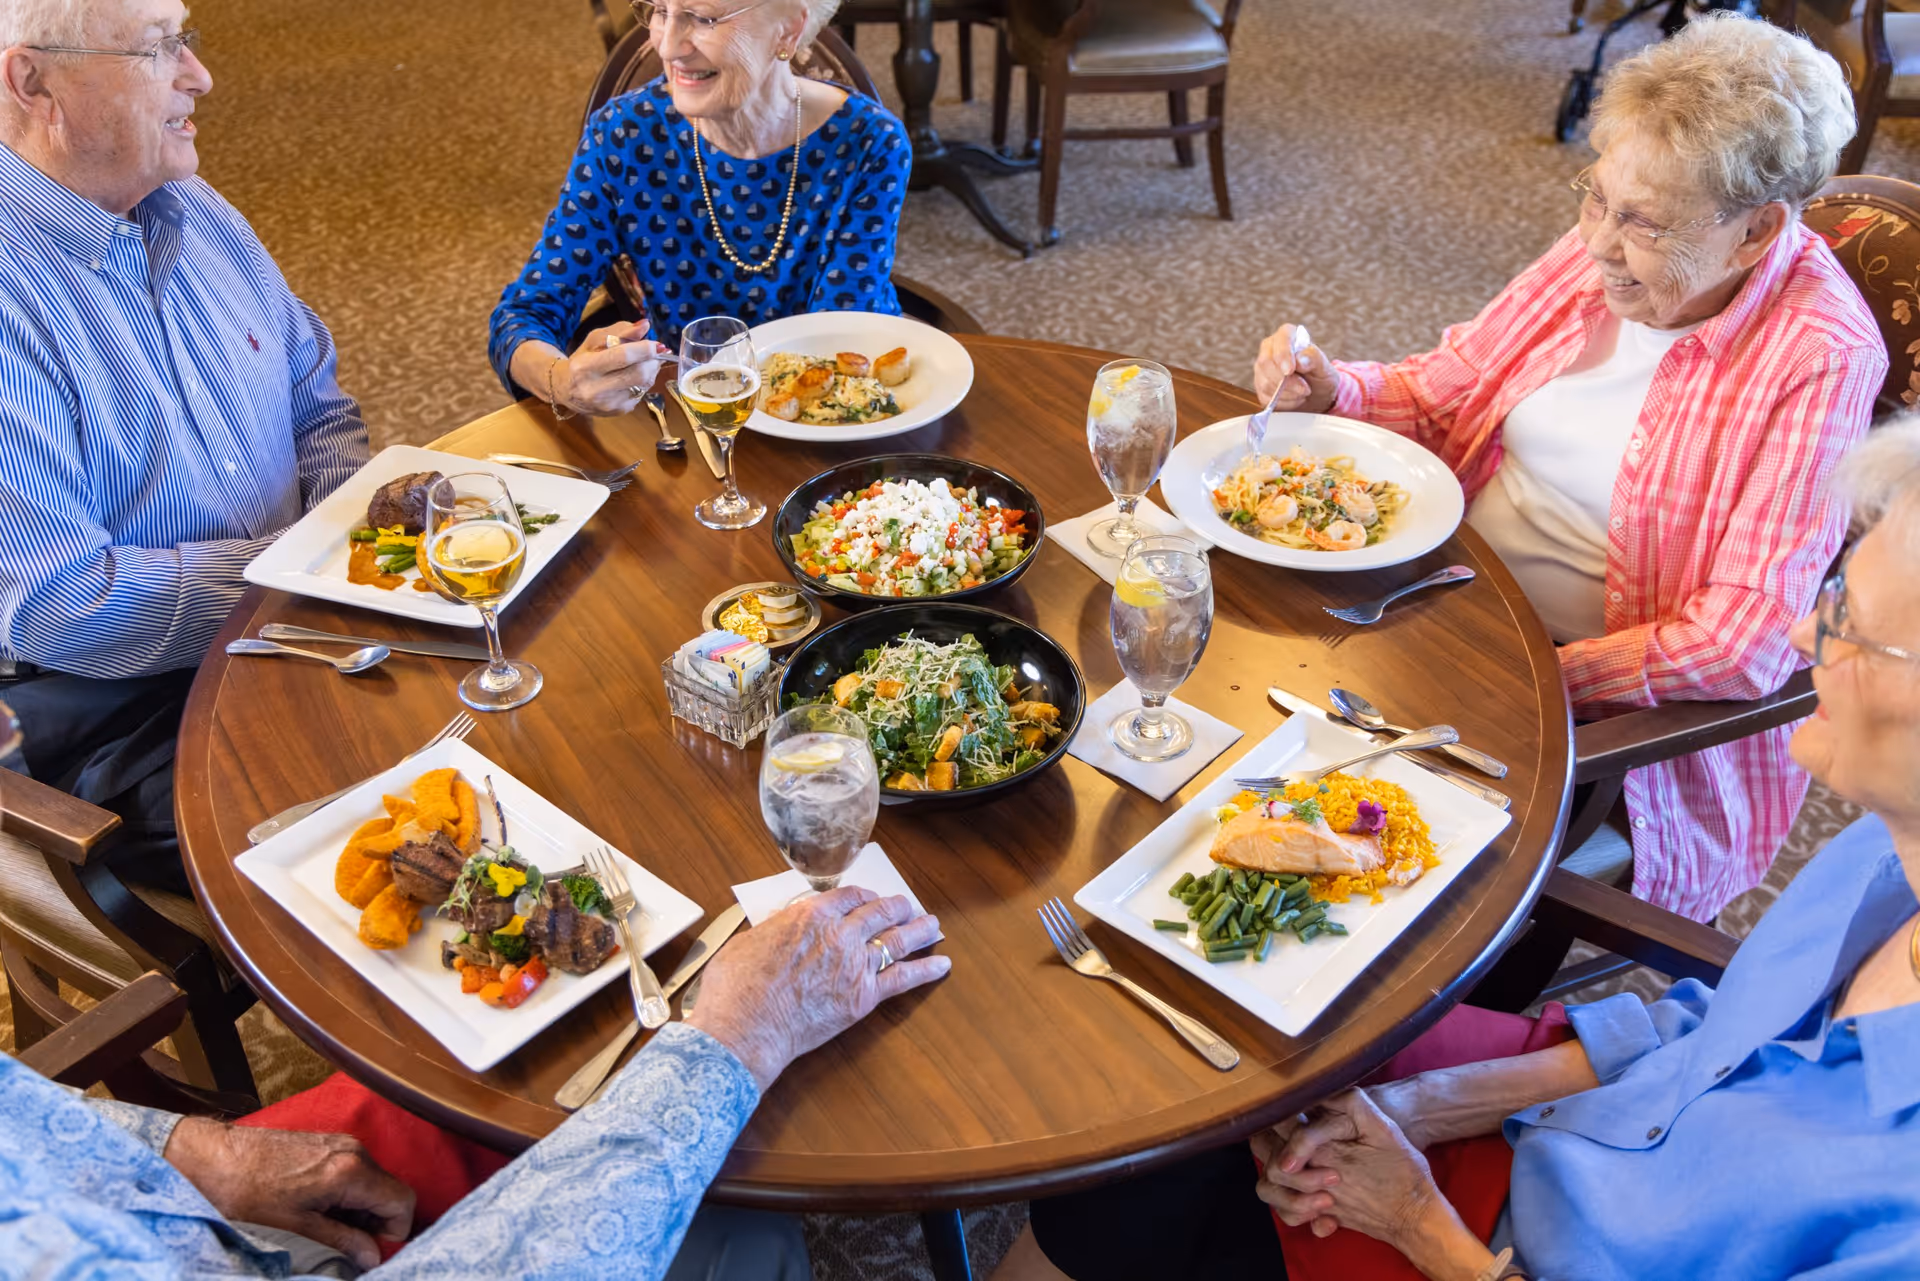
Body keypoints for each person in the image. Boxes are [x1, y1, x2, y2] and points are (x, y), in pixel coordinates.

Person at [996, 420, 1920, 1280]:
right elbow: (1705, 1037)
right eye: (1830, 594)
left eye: (1850, 629)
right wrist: (1429, 1103)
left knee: (1142, 1180)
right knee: (1182, 1065)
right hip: (1569, 1115)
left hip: (1499, 1253)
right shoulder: (1876, 858)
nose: (1802, 634)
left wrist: (1410, 1215)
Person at [1250, 13, 1884, 923]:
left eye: (1641, 222)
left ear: (1756, 232)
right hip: (1434, 596)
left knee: (1348, 862)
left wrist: (1535, 674)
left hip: (1574, 693)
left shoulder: (1817, 356)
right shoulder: (1612, 246)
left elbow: (1742, 640)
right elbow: (1447, 388)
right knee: (1228, 699)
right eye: (1596, 197)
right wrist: (1335, 388)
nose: (1595, 243)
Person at [0, 886, 952, 1279]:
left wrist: (191, 1147)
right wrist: (740, 1035)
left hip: (194, 1213)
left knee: (479, 1079)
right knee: (755, 1232)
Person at [0, 0, 369, 892]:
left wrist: (353, 552)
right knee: (415, 809)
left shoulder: (191, 204)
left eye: (185, 40)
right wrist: (309, 573)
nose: (198, 76)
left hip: (300, 619)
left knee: (521, 655)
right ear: (31, 81)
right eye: (159, 50)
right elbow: (60, 602)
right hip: (118, 709)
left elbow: (316, 397)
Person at [487, 0, 910, 419]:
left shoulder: (869, 143)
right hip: (697, 414)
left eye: (704, 18)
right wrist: (560, 380)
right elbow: (525, 314)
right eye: (658, 10)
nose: (667, 47)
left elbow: (841, 339)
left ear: (787, 29)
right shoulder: (624, 136)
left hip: (840, 418)